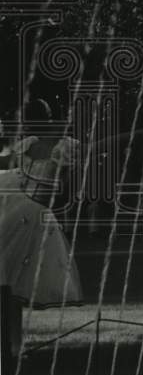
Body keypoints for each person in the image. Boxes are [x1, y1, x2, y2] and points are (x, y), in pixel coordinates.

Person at [0, 136, 83, 357]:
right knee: (11, 285)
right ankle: (13, 346)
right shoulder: (34, 146)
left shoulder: (29, 147)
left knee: (11, 285)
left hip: (21, 210)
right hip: (25, 212)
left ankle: (14, 346)